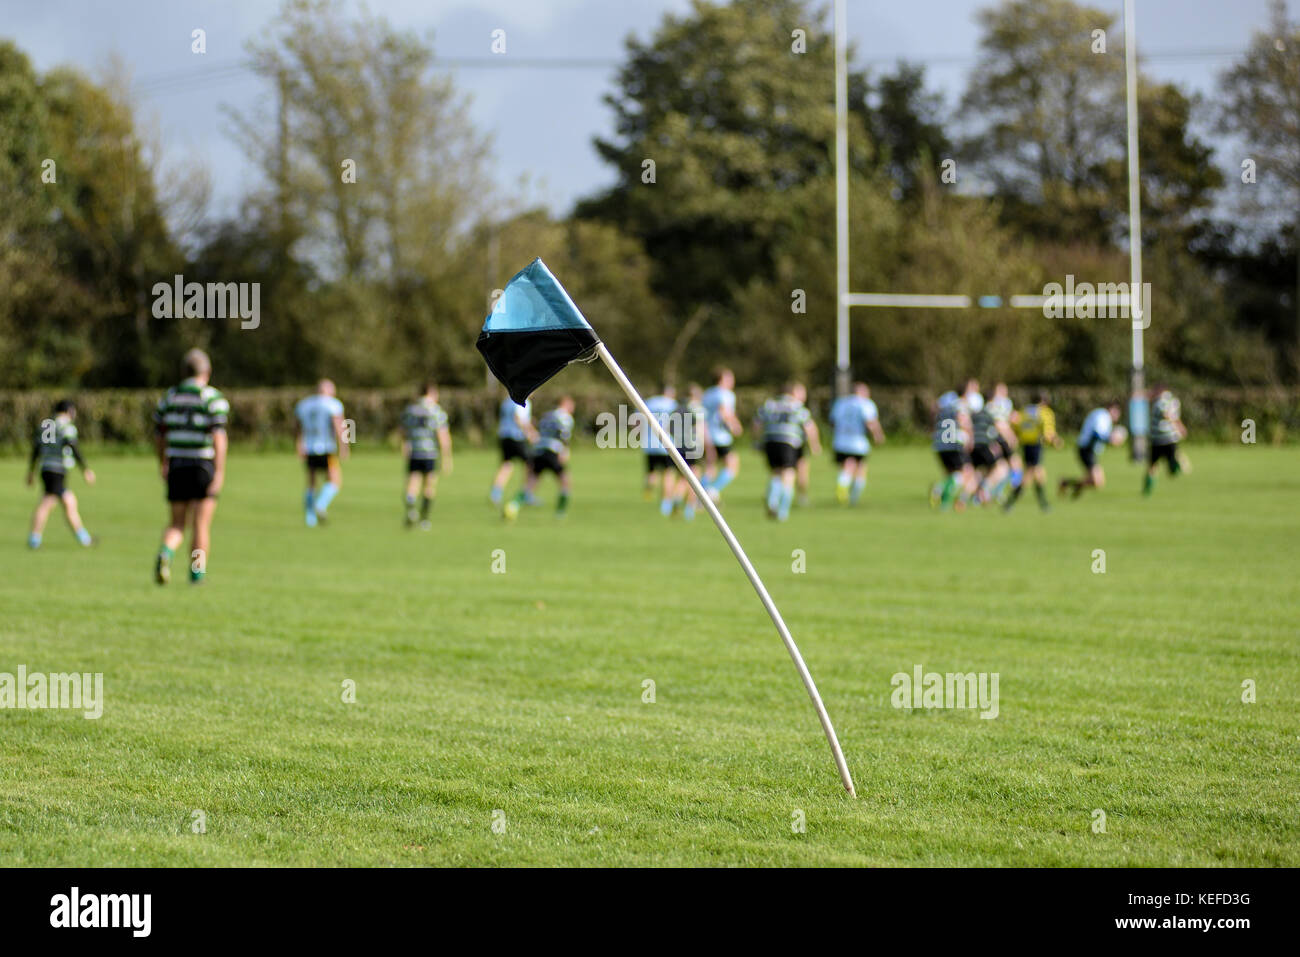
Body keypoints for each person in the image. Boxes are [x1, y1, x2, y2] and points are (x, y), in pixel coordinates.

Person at [153, 348, 229, 585]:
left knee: (177, 523)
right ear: (207, 371)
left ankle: (166, 552)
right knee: (201, 523)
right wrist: (219, 470)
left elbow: (159, 435)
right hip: (202, 464)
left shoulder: (169, 397)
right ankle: (196, 573)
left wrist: (163, 461)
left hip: (176, 462)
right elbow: (219, 437)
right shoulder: (212, 398)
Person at [26, 399, 96, 549]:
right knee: (47, 503)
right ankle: (34, 539)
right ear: (69, 411)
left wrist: (31, 471)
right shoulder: (66, 425)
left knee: (68, 502)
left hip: (45, 468)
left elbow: (37, 449)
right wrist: (85, 469)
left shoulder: (45, 425)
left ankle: (84, 538)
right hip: (58, 469)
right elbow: (72, 445)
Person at [755, 383, 820, 521]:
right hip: (789, 442)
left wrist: (756, 441)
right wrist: (814, 445)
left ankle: (772, 500)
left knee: (776, 473)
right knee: (789, 475)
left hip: (771, 441)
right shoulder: (796, 406)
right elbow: (809, 426)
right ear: (792, 393)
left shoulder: (770, 405)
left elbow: (757, 423)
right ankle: (782, 511)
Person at [506, 396, 575, 521]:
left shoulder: (547, 415)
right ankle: (560, 513)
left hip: (538, 451)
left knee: (530, 485)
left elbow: (540, 430)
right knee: (565, 482)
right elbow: (564, 434)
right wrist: (564, 450)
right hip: (552, 451)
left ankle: (512, 506)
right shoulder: (565, 417)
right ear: (565, 404)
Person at [294, 379, 347, 527]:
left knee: (311, 482)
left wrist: (298, 444)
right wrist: (344, 445)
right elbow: (339, 426)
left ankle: (310, 518)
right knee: (335, 480)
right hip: (326, 447)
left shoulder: (304, 404)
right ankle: (321, 504)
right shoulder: (333, 404)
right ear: (329, 391)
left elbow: (297, 427)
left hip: (309, 447)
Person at [400, 382, 453, 529]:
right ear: (431, 392)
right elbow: (442, 436)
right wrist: (447, 458)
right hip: (430, 453)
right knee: (429, 486)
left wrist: (405, 446)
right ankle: (424, 520)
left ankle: (411, 510)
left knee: (412, 484)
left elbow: (404, 431)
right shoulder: (436, 411)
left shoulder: (411, 410)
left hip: (415, 451)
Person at [1005, 390, 1062, 512]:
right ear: (1044, 401)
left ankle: (1044, 504)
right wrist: (1055, 441)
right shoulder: (1045, 412)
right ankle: (1010, 502)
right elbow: (1048, 433)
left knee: (1039, 474)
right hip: (1036, 444)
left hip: (1026, 445)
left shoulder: (1024, 411)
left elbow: (1016, 426)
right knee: (1030, 474)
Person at [829, 382, 886, 505]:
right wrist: (878, 436)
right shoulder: (865, 403)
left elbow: (832, 422)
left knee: (846, 466)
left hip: (840, 440)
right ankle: (853, 498)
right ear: (862, 392)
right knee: (860, 468)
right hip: (857, 441)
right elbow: (870, 421)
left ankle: (843, 483)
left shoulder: (840, 402)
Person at [1059, 402, 1125, 499]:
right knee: (1097, 482)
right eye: (1117, 412)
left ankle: (1067, 484)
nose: (1118, 415)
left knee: (1095, 481)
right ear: (1111, 409)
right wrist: (1110, 439)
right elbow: (1096, 434)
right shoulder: (1103, 416)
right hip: (1086, 449)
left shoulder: (1103, 416)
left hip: (1089, 450)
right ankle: (1068, 484)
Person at [930, 389, 976, 511]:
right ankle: (939, 487)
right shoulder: (960, 404)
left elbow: (934, 417)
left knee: (951, 474)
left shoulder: (944, 407)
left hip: (940, 444)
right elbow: (962, 419)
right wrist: (970, 436)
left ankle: (944, 504)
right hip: (954, 443)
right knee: (967, 472)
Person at [701, 368, 743, 502]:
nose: (732, 381)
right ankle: (711, 491)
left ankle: (697, 496)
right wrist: (735, 425)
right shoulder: (725, 394)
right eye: (730, 378)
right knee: (732, 465)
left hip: (705, 435)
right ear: (722, 379)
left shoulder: (707, 393)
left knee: (710, 468)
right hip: (720, 436)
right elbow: (724, 411)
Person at [490, 396, 535, 507]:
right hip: (516, 437)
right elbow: (518, 418)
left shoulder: (506, 401)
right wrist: (531, 433)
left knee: (506, 465)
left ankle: (495, 494)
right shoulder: (523, 400)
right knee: (531, 465)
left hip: (504, 436)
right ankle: (526, 494)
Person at [1144, 386, 1187, 496]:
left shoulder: (1161, 402)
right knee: (1156, 466)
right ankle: (1177, 465)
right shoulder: (1171, 400)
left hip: (1161, 439)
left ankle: (1147, 489)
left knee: (1153, 466)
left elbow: (1167, 414)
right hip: (1165, 439)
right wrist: (1179, 427)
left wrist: (1179, 426)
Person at [641, 385, 678, 511]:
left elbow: (637, 421)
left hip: (650, 443)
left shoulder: (649, 402)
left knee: (652, 471)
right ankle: (666, 504)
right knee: (668, 473)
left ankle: (648, 492)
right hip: (667, 444)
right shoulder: (673, 404)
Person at [986, 382, 1022, 502]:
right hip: (1000, 438)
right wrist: (1011, 436)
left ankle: (996, 491)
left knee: (1004, 467)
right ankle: (1015, 489)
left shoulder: (990, 405)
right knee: (1012, 465)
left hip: (992, 439)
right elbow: (1000, 423)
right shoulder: (1002, 403)